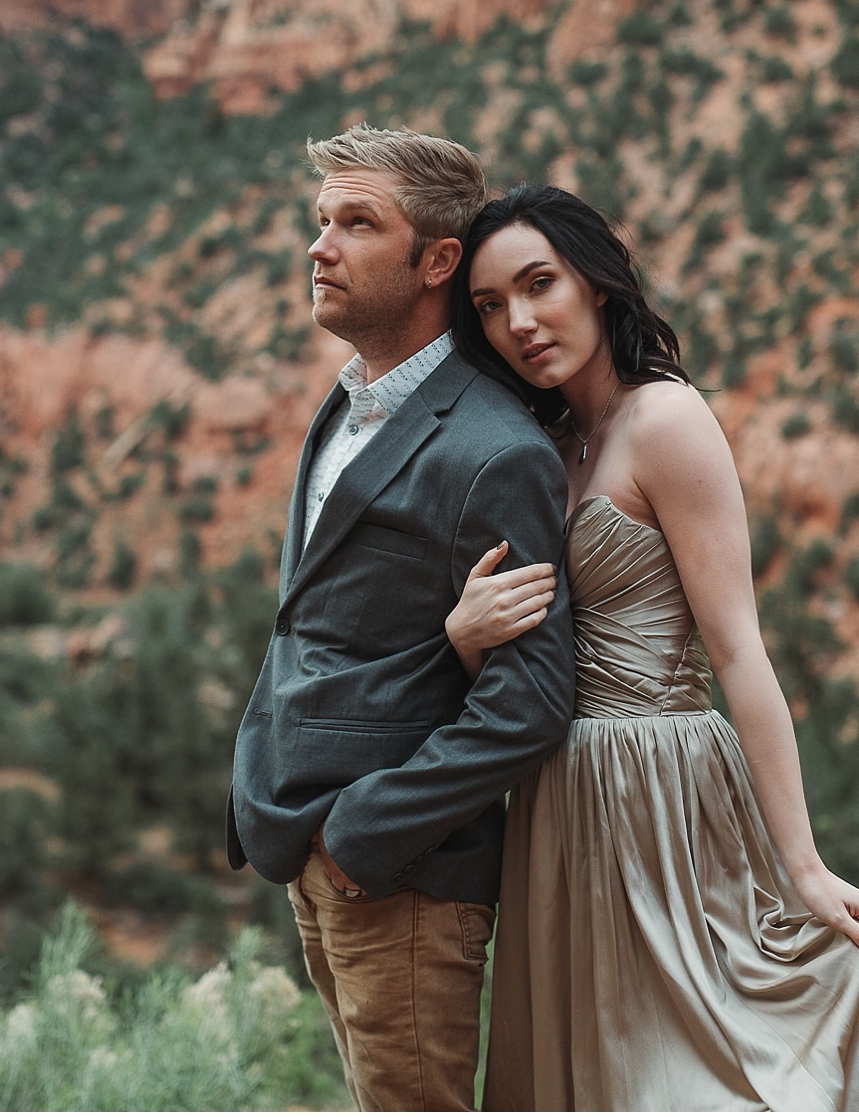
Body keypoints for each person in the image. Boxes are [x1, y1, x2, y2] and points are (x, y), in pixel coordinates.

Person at [448, 183, 859, 1111]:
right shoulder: (544, 441)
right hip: (550, 801)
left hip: (660, 789)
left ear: (598, 285)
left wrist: (804, 866)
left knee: (688, 1078)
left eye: (540, 285)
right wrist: (464, 636)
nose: (520, 322)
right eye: (490, 307)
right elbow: (519, 656)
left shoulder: (668, 422)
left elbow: (739, 653)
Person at [226, 126, 577, 1111]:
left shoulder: (493, 452)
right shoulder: (346, 406)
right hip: (308, 844)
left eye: (355, 223)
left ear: (436, 262)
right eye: (320, 222)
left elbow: (532, 702)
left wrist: (364, 833)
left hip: (403, 875)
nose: (318, 247)